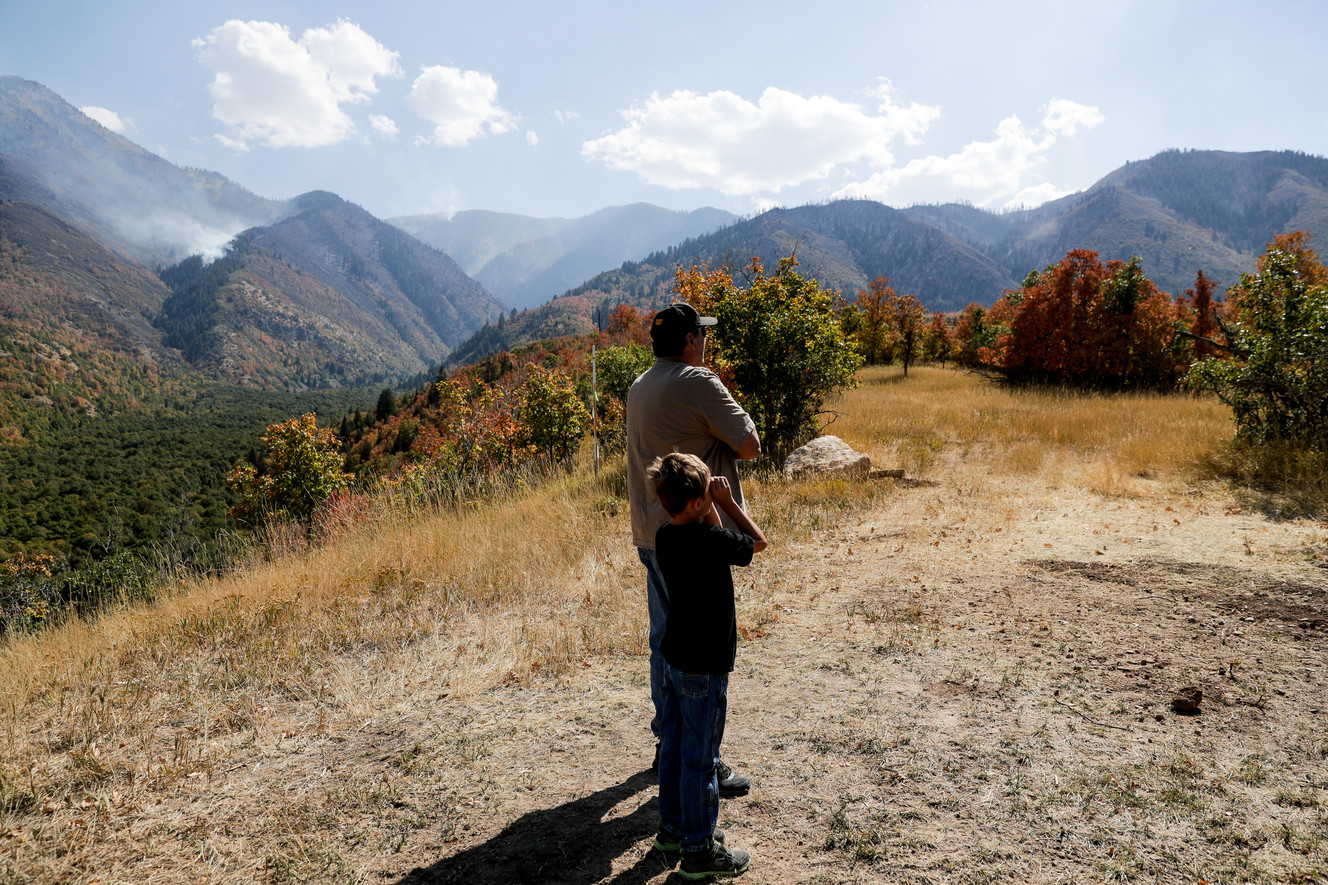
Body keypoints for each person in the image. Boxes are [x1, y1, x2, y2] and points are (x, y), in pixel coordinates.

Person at [626, 302, 761, 795]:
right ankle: (704, 758)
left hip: (653, 533)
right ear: (688, 340)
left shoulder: (639, 386)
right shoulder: (699, 382)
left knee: (666, 641)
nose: (705, 341)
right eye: (701, 334)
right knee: (703, 650)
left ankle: (670, 746)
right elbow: (750, 445)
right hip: (698, 536)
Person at [646, 452, 767, 879]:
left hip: (676, 660)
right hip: (706, 667)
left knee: (677, 751)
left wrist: (706, 501)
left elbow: (703, 531)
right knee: (702, 758)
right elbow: (756, 542)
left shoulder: (664, 536)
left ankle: (673, 832)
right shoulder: (713, 541)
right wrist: (728, 501)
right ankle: (698, 853)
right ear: (698, 503)